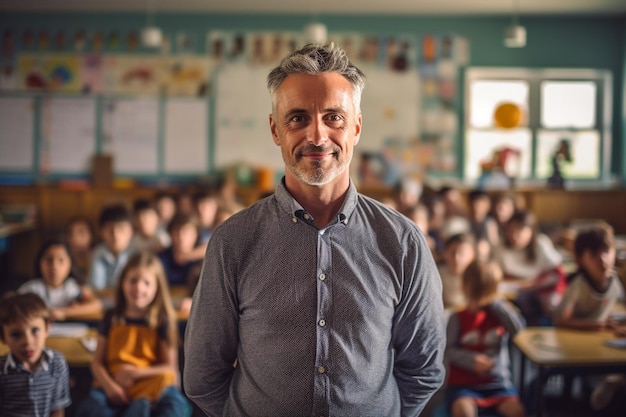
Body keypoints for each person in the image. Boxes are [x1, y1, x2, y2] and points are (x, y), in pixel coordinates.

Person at [184, 43, 445, 417]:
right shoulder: (233, 241)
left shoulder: (403, 243)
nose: (317, 136)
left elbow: (423, 369)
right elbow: (202, 375)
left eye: (334, 117)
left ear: (356, 127)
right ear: (275, 129)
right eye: (297, 118)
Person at [76, 252, 189, 417]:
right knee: (93, 407)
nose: (139, 288)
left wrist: (135, 373)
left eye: (147, 283)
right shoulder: (111, 317)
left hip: (148, 384)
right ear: (122, 282)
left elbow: (169, 368)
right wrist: (110, 387)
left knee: (174, 405)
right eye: (133, 281)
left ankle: (139, 406)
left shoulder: (161, 321)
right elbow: (97, 363)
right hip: (114, 382)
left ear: (157, 287)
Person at [553, 223, 625, 411]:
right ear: (580, 259)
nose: (603, 259)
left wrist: (616, 325)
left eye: (606, 251)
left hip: (597, 340)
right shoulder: (578, 284)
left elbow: (617, 310)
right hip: (570, 344)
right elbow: (562, 320)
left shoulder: (615, 282)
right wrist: (593, 325)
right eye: (594, 255)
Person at [445, 260, 526, 417]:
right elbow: (448, 350)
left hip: (497, 382)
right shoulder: (457, 318)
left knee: (517, 412)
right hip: (463, 385)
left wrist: (496, 302)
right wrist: (471, 360)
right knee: (464, 412)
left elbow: (519, 331)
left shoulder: (500, 315)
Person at [0, 292, 71, 416]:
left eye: (35, 330)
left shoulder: (57, 363)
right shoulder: (2, 370)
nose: (27, 342)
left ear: (47, 329)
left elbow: (58, 408)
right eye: (16, 334)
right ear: (3, 337)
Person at [494, 210, 566, 325]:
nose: (514, 235)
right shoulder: (500, 248)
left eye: (520, 230)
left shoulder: (541, 244)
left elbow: (558, 274)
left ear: (531, 231)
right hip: (513, 293)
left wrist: (533, 284)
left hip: (543, 292)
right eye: (511, 229)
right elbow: (496, 275)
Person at [18, 239, 102, 321]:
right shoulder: (31, 289)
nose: (54, 266)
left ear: (70, 264)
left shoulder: (73, 287)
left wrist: (64, 313)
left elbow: (96, 305)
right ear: (39, 263)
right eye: (49, 260)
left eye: (61, 260)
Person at [89, 204, 136, 291]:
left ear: (130, 230)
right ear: (101, 231)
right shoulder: (98, 252)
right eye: (110, 229)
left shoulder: (136, 255)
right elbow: (96, 288)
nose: (115, 234)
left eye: (121, 228)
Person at [438, 233, 476, 311]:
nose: (456, 258)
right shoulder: (436, 275)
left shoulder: (477, 277)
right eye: (453, 253)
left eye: (462, 253)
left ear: (472, 255)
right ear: (445, 253)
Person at [64, 215, 95, 285]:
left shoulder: (99, 256)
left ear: (91, 235)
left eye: (81, 232)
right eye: (71, 233)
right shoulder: (64, 258)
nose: (75, 238)